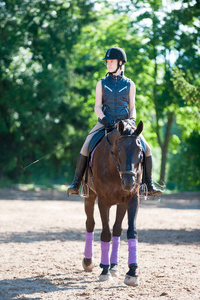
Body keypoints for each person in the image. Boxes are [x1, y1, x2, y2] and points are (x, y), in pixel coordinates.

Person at [67, 46, 162, 197]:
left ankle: (148, 184)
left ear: (120, 63)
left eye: (111, 61)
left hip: (126, 126)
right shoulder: (101, 83)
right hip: (105, 123)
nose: (108, 64)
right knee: (85, 146)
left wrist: (131, 120)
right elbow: (97, 106)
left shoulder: (130, 84)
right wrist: (104, 118)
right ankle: (77, 183)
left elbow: (132, 107)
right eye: (107, 62)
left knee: (147, 149)